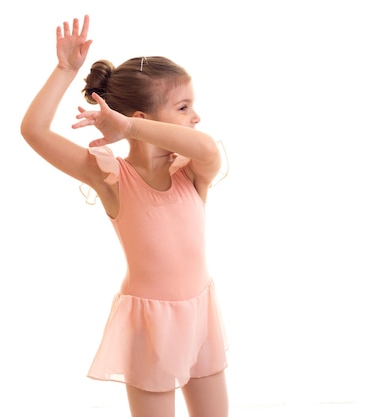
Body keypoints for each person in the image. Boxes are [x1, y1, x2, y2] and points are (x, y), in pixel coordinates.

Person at [20, 15, 229, 417]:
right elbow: (34, 131)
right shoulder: (112, 177)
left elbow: (206, 147)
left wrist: (129, 127)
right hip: (149, 324)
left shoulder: (189, 169)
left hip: (200, 313)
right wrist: (66, 70)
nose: (196, 116)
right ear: (144, 118)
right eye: (184, 107)